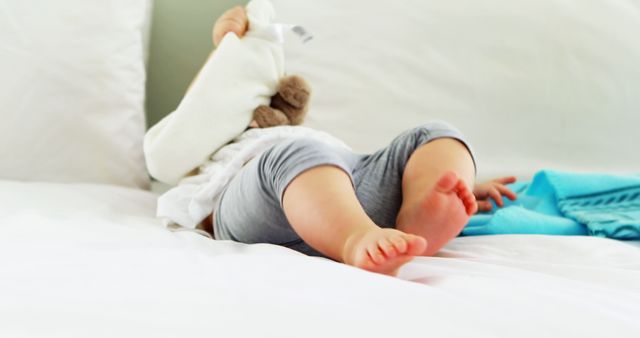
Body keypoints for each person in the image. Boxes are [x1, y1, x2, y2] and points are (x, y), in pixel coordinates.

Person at [154, 6, 517, 276]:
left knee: (433, 134)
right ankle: (356, 240)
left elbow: (334, 161)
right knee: (295, 155)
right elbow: (202, 101)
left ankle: (419, 213)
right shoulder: (215, 149)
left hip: (344, 181)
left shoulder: (300, 135)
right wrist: (229, 42)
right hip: (269, 206)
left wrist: (451, 183)